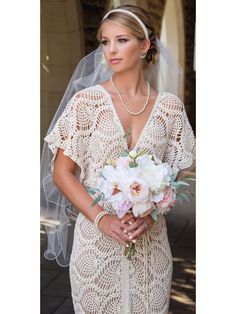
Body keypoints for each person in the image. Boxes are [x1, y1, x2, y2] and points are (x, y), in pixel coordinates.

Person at [41, 4, 195, 314]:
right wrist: (102, 218)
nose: (111, 49)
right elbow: (62, 172)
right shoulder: (86, 102)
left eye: (121, 40)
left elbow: (181, 171)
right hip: (96, 246)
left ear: (145, 45)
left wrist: (150, 214)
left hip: (151, 248)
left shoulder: (171, 108)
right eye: (105, 41)